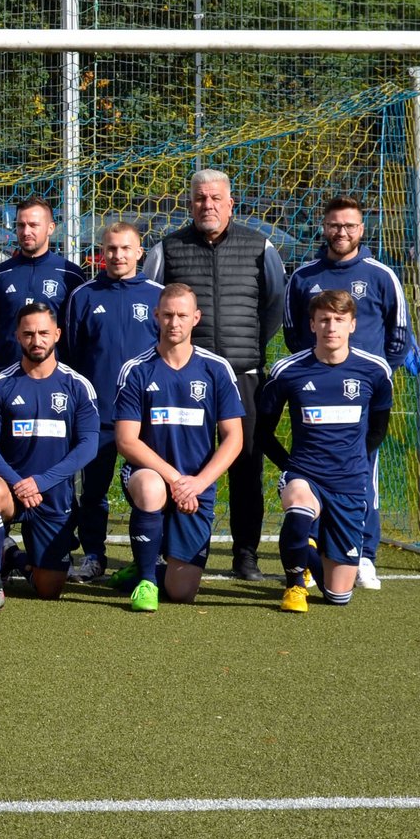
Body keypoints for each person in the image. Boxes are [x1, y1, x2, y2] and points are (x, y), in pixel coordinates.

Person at [142, 168, 286, 581]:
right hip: (184, 378)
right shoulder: (168, 249)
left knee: (245, 465)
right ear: (189, 204)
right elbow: (154, 302)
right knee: (176, 461)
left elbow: (273, 305)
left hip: (242, 375)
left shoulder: (260, 247)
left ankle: (245, 556)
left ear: (230, 203)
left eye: (215, 198)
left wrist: (249, 346)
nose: (208, 205)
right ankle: (169, 550)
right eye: (200, 199)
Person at [283, 195, 410, 590]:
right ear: (324, 227)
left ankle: (365, 554)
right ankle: (317, 548)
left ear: (361, 229)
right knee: (314, 468)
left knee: (363, 471)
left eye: (350, 225)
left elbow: (399, 334)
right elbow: (291, 332)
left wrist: (375, 374)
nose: (342, 232)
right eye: (335, 225)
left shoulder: (381, 275)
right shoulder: (303, 276)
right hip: (315, 388)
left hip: (363, 392)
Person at [108, 284, 246, 612]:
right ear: (156, 316)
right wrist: (174, 479)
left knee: (182, 593)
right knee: (152, 486)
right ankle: (146, 580)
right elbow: (126, 440)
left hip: (196, 486)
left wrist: (197, 483)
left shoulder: (216, 369)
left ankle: (155, 566)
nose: (174, 322)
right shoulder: (136, 369)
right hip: (152, 475)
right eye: (168, 314)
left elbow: (234, 438)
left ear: (196, 318)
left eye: (182, 315)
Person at [257, 289, 394, 613]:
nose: (331, 327)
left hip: (349, 482)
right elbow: (262, 431)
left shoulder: (375, 372)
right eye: (324, 320)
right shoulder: (288, 371)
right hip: (306, 475)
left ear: (352, 325)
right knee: (299, 509)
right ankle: (294, 585)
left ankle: (311, 554)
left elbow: (378, 428)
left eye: (339, 320)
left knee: (338, 597)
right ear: (313, 325)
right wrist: (290, 466)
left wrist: (356, 462)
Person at [0, 302, 100, 613]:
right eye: (28, 333)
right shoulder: (0, 385)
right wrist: (18, 483)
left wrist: (41, 482)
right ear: (17, 336)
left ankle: (12, 557)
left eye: (43, 333)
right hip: (11, 490)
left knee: (49, 589)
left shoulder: (77, 386)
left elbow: (88, 445)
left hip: (51, 495)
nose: (36, 340)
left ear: (56, 334)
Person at [58, 222, 163, 583]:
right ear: (100, 253)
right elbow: (70, 354)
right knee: (93, 491)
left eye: (125, 249)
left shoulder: (157, 296)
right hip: (99, 414)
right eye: (111, 249)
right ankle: (93, 554)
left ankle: (148, 556)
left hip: (146, 417)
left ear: (139, 253)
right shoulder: (84, 296)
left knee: (148, 484)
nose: (117, 255)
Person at [0, 196, 87, 373]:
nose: (26, 231)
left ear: (50, 228)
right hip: (9, 374)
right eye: (20, 225)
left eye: (33, 225)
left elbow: (77, 331)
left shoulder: (71, 275)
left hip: (56, 377)